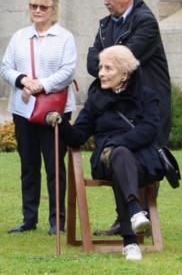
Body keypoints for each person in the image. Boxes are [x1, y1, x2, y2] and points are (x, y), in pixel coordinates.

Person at [47, 45, 164, 262]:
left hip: (142, 161)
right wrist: (61, 122)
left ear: (124, 73)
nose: (101, 73)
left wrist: (117, 143)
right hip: (106, 160)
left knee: (122, 156)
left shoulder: (147, 96)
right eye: (100, 67)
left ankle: (131, 237)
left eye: (108, 68)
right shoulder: (96, 99)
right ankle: (134, 216)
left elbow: (149, 129)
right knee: (119, 156)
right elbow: (78, 136)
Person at [86, 0, 172, 236]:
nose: (105, 2)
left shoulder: (145, 22)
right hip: (118, 106)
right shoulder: (105, 25)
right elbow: (91, 63)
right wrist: (108, 62)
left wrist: (107, 60)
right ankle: (127, 218)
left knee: (145, 157)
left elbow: (126, 60)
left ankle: (143, 217)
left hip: (147, 104)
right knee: (118, 156)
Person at [0, 0, 76, 235]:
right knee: (28, 165)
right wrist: (23, 80)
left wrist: (40, 85)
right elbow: (6, 68)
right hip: (23, 109)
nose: (37, 11)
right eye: (33, 6)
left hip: (54, 110)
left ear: (54, 9)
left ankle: (57, 221)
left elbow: (68, 71)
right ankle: (29, 218)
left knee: (55, 165)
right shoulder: (20, 37)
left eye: (43, 7)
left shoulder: (64, 37)